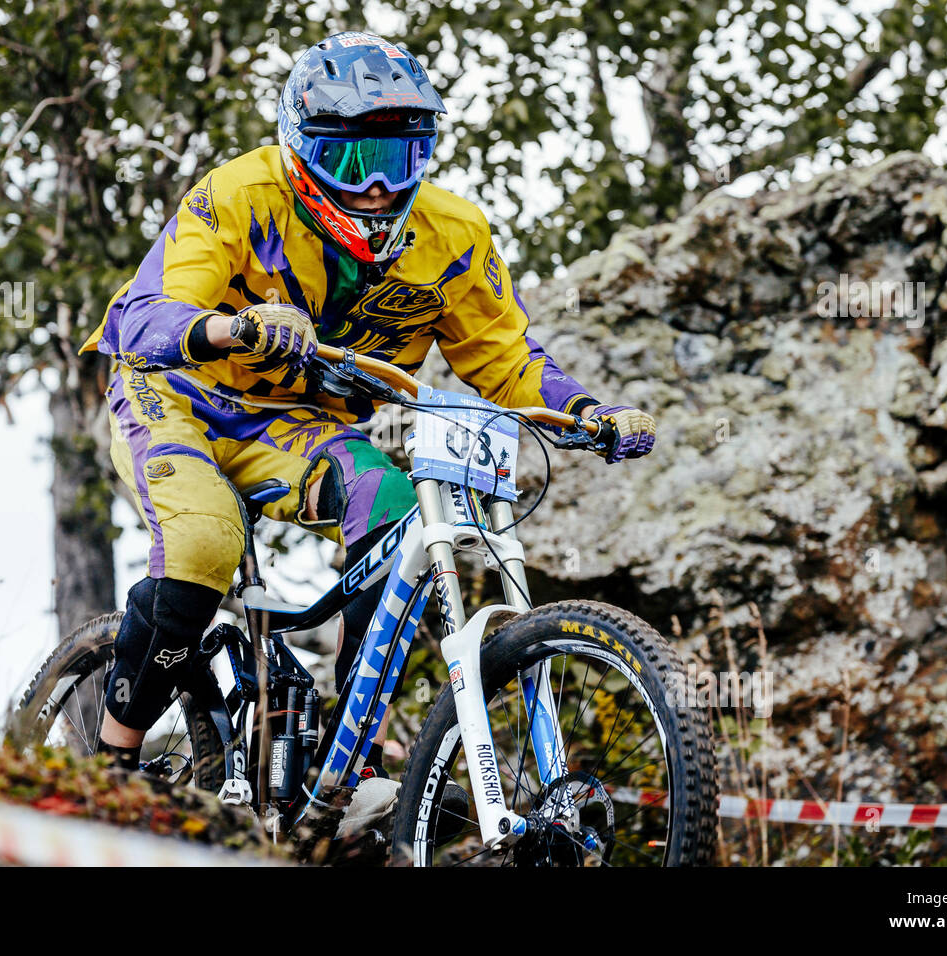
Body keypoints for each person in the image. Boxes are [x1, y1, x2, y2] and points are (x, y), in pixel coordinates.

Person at [80, 31, 656, 778]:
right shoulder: (239, 194)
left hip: (294, 426)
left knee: (395, 515)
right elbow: (143, 318)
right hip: (175, 393)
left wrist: (586, 411)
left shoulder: (452, 235)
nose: (377, 187)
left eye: (398, 161)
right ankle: (108, 765)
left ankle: (349, 753)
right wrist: (231, 327)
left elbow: (506, 356)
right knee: (203, 547)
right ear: (297, 150)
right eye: (351, 161)